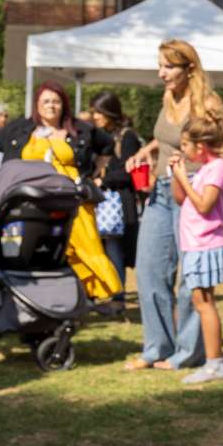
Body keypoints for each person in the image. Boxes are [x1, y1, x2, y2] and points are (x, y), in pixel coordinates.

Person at [123, 39, 223, 371]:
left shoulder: (208, 104)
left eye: (168, 67)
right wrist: (145, 152)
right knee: (149, 270)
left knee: (190, 277)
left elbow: (219, 147)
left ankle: (187, 351)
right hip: (160, 191)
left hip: (192, 192)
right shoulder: (169, 97)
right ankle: (156, 347)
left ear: (190, 68)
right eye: (160, 66)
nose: (161, 73)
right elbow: (166, 137)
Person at [0, 82, 122, 301]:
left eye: (56, 101)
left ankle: (85, 296)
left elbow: (107, 144)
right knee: (37, 248)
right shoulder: (21, 127)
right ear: (37, 104)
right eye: (46, 101)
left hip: (72, 198)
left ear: (64, 105)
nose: (51, 106)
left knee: (85, 248)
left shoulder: (80, 129)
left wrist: (95, 174)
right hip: (29, 201)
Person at [169, 117, 223, 385]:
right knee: (201, 303)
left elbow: (205, 205)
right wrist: (177, 175)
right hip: (195, 245)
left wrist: (184, 178)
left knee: (204, 304)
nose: (183, 149)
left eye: (186, 144)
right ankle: (213, 362)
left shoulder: (218, 168)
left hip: (206, 244)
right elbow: (180, 198)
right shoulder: (206, 168)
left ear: (201, 145)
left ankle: (215, 364)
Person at [90, 92, 143, 303]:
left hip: (118, 203)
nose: (95, 117)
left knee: (115, 249)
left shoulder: (127, 137)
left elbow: (128, 172)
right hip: (100, 201)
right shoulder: (98, 135)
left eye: (98, 112)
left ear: (109, 112)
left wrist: (103, 181)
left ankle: (117, 296)